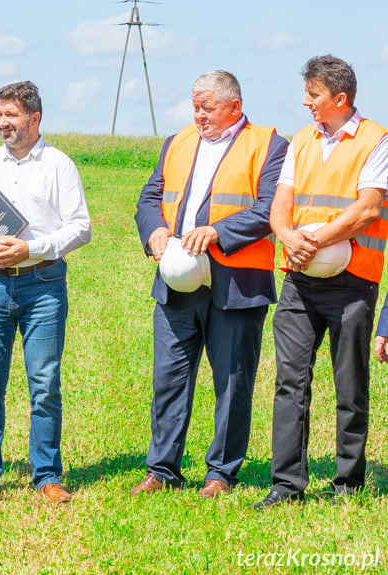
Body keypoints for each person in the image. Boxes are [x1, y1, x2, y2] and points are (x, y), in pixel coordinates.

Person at [132, 71, 288, 499]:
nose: (198, 115)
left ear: (234, 106)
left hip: (236, 284)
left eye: (208, 107)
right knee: (168, 378)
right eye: (195, 106)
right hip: (176, 283)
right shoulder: (178, 141)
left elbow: (270, 208)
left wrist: (218, 232)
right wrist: (155, 232)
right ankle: (161, 469)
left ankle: (221, 472)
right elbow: (149, 198)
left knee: (233, 381)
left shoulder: (270, 145)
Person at [253, 55, 388, 509]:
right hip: (299, 280)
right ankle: (286, 484)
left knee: (350, 384)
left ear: (340, 98)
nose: (305, 102)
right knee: (290, 382)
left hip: (352, 281)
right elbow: (281, 202)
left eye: (313, 94)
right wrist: (289, 237)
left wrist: (313, 242)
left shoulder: (376, 140)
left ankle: (348, 481)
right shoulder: (302, 140)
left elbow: (367, 209)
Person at [0, 81, 91, 504]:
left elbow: (80, 227)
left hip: (43, 283)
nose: (2, 124)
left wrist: (32, 248)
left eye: (10, 115)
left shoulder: (59, 165)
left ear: (34, 118)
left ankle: (47, 475)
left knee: (44, 383)